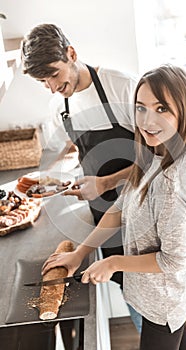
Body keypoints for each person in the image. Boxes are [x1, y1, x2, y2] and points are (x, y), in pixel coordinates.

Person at [42, 64, 186, 350]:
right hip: (152, 298)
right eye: (140, 108)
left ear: (184, 112)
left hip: (162, 306)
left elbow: (173, 261)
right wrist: (81, 253)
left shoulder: (173, 183)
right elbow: (120, 208)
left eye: (161, 109)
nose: (147, 120)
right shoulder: (154, 155)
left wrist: (114, 262)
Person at [20, 22, 142, 347]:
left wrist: (104, 182)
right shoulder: (59, 103)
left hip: (144, 214)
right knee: (128, 289)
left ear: (71, 54)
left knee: (152, 299)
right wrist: (71, 178)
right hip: (105, 218)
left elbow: (159, 161)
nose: (51, 87)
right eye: (42, 82)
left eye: (54, 76)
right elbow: (81, 149)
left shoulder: (122, 87)